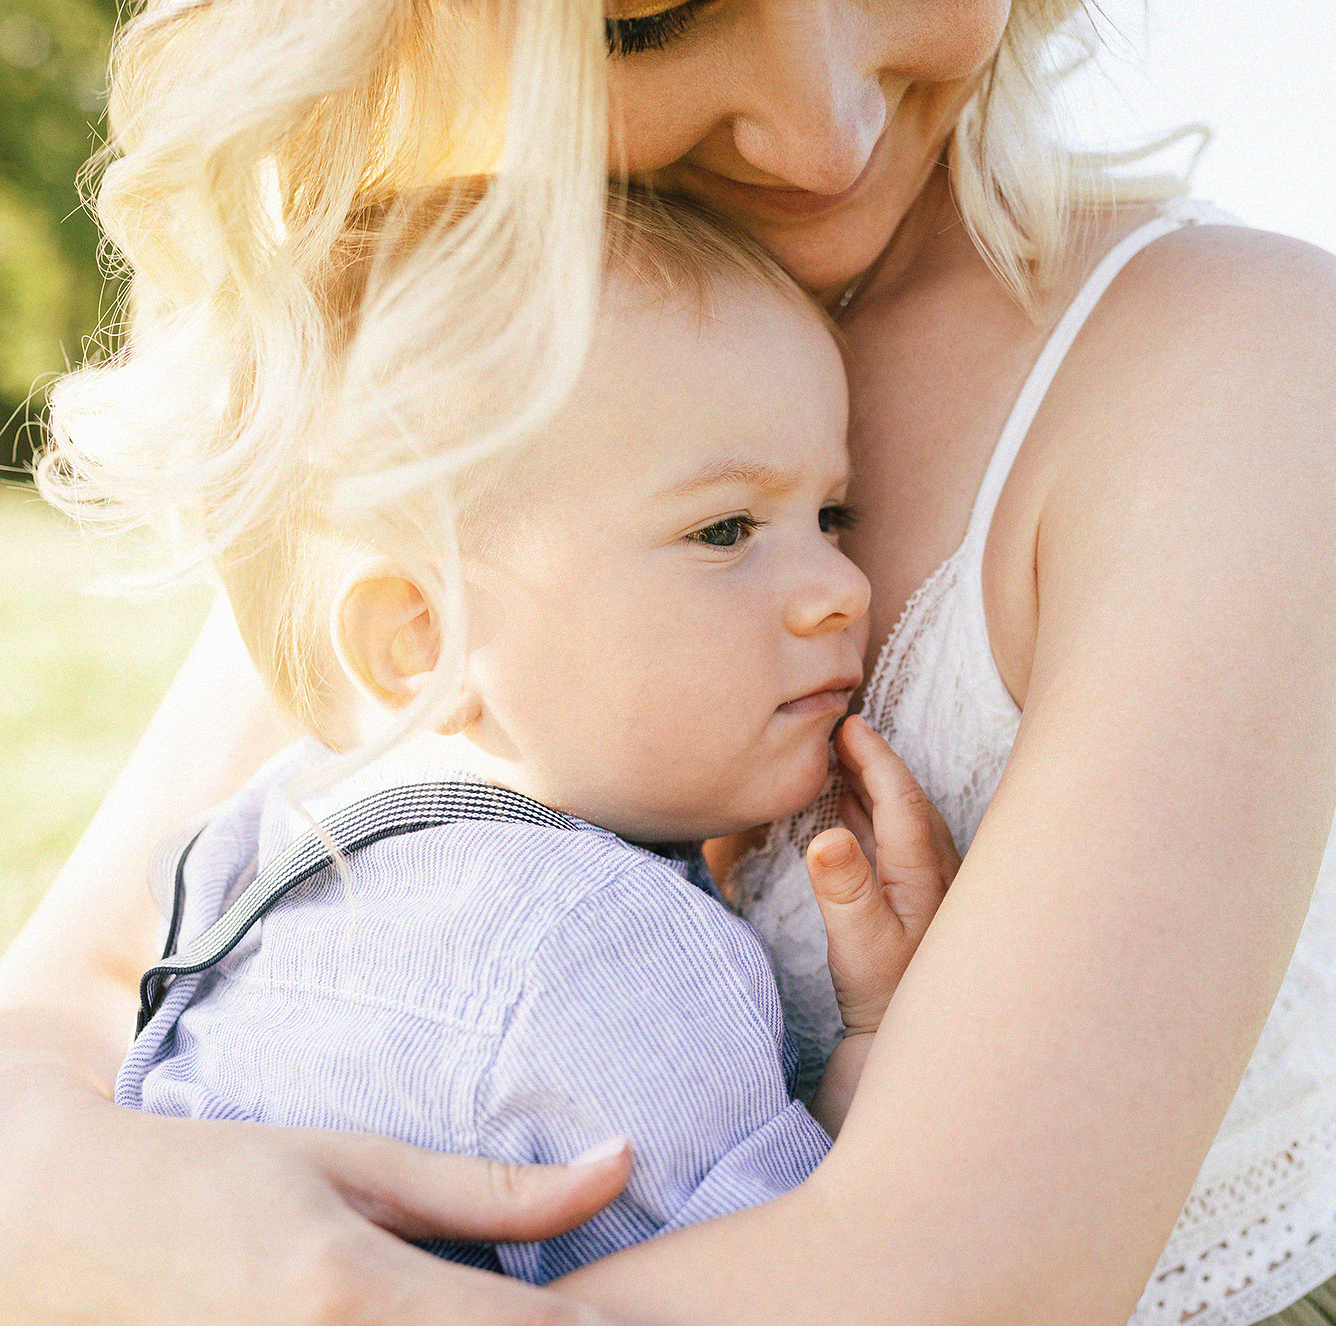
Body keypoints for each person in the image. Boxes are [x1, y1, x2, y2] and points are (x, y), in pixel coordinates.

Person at [0, 2, 1336, 1324]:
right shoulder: (466, 358)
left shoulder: (1225, 361)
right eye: (646, 21)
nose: (825, 119)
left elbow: (959, 1286)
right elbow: (27, 1044)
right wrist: (151, 1236)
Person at [105, 185, 964, 1284]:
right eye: (725, 529)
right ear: (426, 640)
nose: (841, 587)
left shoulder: (272, 822)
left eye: (831, 516)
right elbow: (808, 1281)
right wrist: (883, 1044)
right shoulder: (612, 951)